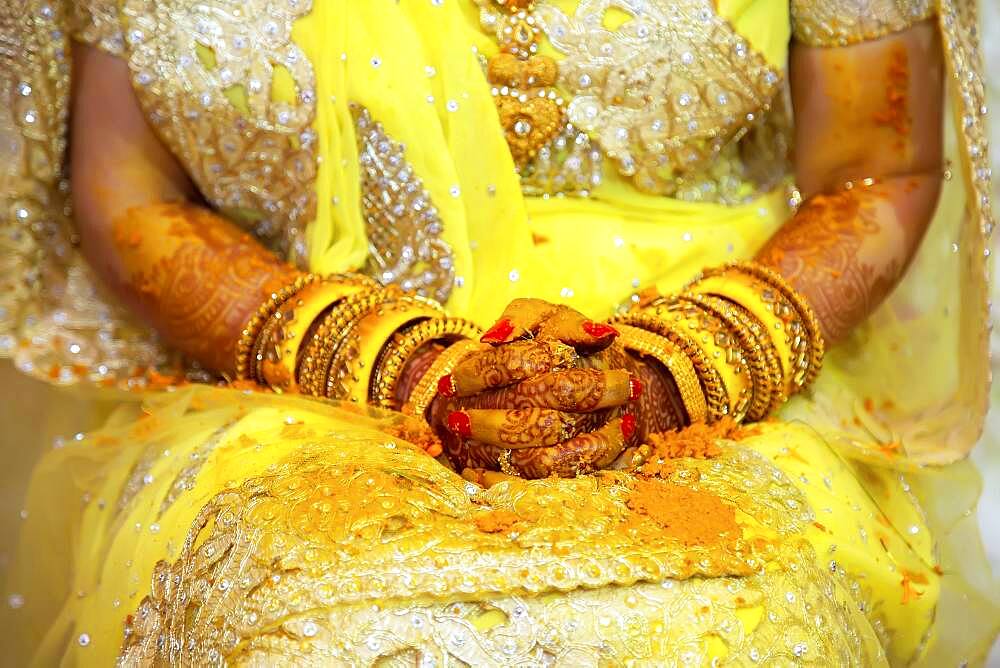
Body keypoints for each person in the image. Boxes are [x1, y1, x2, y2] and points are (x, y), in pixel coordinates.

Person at [1, 0, 997, 663]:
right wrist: (387, 361)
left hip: (717, 367)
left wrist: (680, 365)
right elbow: (125, 189)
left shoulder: (693, 366)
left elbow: (877, 162)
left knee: (729, 630)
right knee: (301, 627)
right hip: (274, 372)